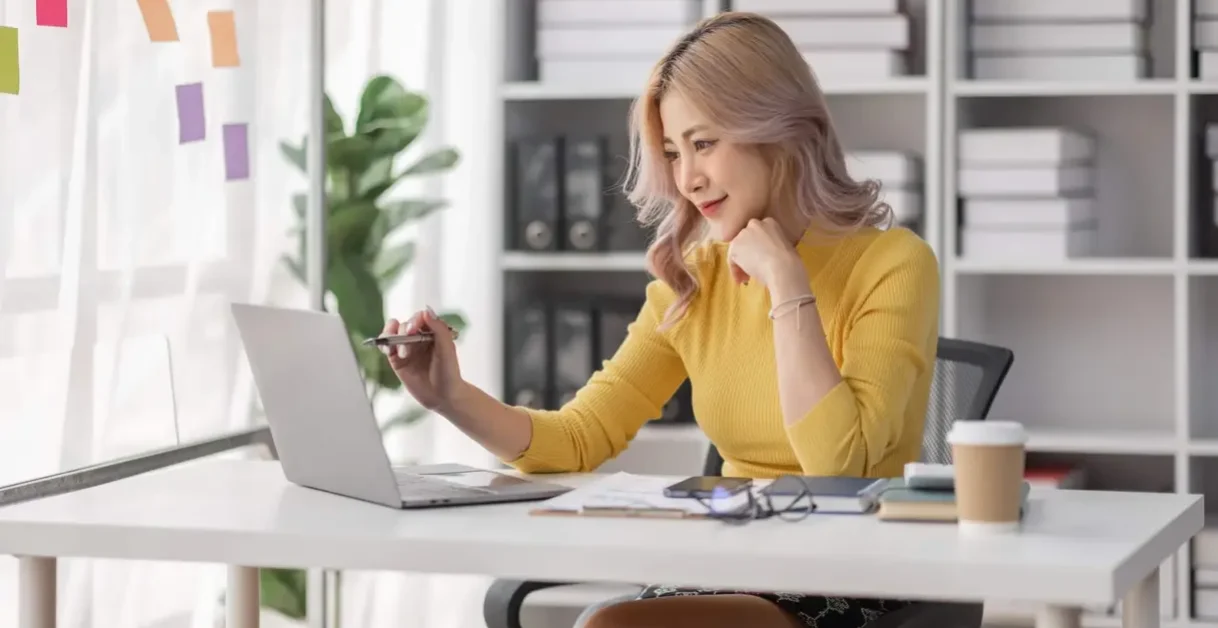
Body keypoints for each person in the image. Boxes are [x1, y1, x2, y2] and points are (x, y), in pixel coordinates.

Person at [380, 10, 940, 628]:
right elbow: (579, 438)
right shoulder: (696, 278)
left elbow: (840, 471)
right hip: (732, 563)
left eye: (704, 144)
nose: (688, 179)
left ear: (776, 128)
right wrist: (451, 398)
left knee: (610, 625)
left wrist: (787, 285)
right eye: (673, 153)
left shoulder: (894, 264)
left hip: (856, 575)